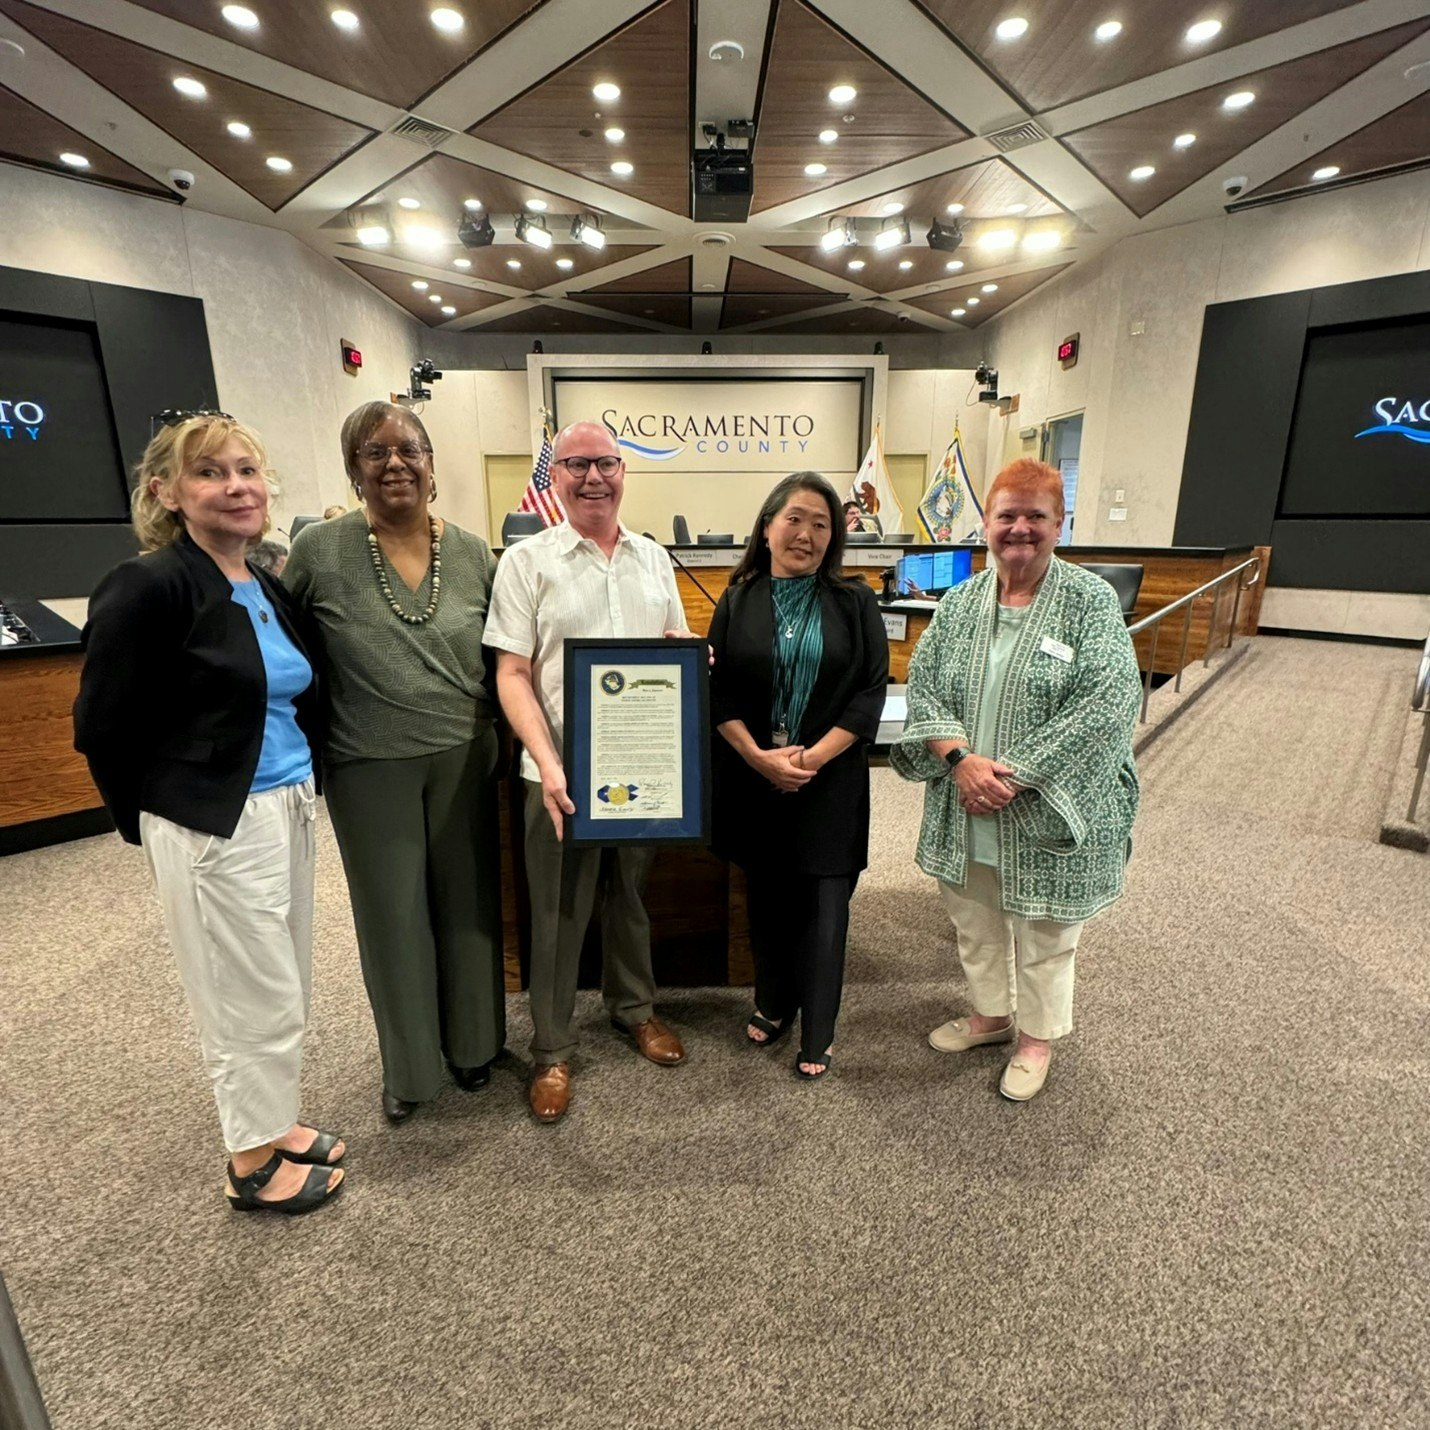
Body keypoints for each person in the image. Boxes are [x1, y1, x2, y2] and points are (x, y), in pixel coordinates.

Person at [73, 412, 343, 1214]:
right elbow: (101, 725)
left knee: (280, 981)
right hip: (213, 823)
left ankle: (274, 1120)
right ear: (165, 492)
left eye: (247, 471)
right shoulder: (150, 584)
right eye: (210, 474)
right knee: (238, 991)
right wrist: (161, 820)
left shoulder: (263, 581)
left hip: (285, 805)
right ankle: (249, 1160)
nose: (236, 488)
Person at [891, 458, 1140, 1101]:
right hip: (965, 796)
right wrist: (961, 763)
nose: (1020, 529)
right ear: (987, 523)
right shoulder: (960, 603)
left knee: (1045, 932)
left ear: (1061, 523)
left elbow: (1106, 704)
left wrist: (1015, 777)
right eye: (1008, 515)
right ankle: (991, 1017)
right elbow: (926, 690)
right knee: (973, 917)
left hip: (1047, 803)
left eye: (1036, 516)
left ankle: (1035, 1038)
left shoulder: (1089, 602)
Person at [283, 401, 503, 1125]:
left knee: (468, 910)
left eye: (409, 449)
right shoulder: (320, 550)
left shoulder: (474, 553)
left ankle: (475, 1048)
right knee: (393, 918)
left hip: (465, 754)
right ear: (354, 469)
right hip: (365, 763)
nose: (395, 463)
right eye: (374, 452)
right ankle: (411, 1070)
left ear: (433, 465)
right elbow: (283, 645)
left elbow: (508, 656)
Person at [486, 420, 692, 1123]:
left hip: (639, 768)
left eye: (605, 463)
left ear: (623, 472)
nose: (593, 477)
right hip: (558, 771)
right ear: (556, 477)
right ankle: (551, 1049)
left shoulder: (652, 558)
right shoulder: (527, 561)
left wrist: (690, 656)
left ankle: (634, 1011)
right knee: (559, 909)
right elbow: (511, 673)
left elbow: (670, 646)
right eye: (576, 465)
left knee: (630, 894)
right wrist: (546, 764)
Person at [709, 473, 888, 1079]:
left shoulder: (855, 600)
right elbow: (719, 692)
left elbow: (869, 693)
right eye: (794, 519)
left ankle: (819, 1031)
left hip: (828, 779)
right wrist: (760, 758)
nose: (806, 534)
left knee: (823, 904)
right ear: (766, 527)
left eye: (821, 523)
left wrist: (810, 759)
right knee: (767, 896)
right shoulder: (738, 598)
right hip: (755, 775)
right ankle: (774, 1002)